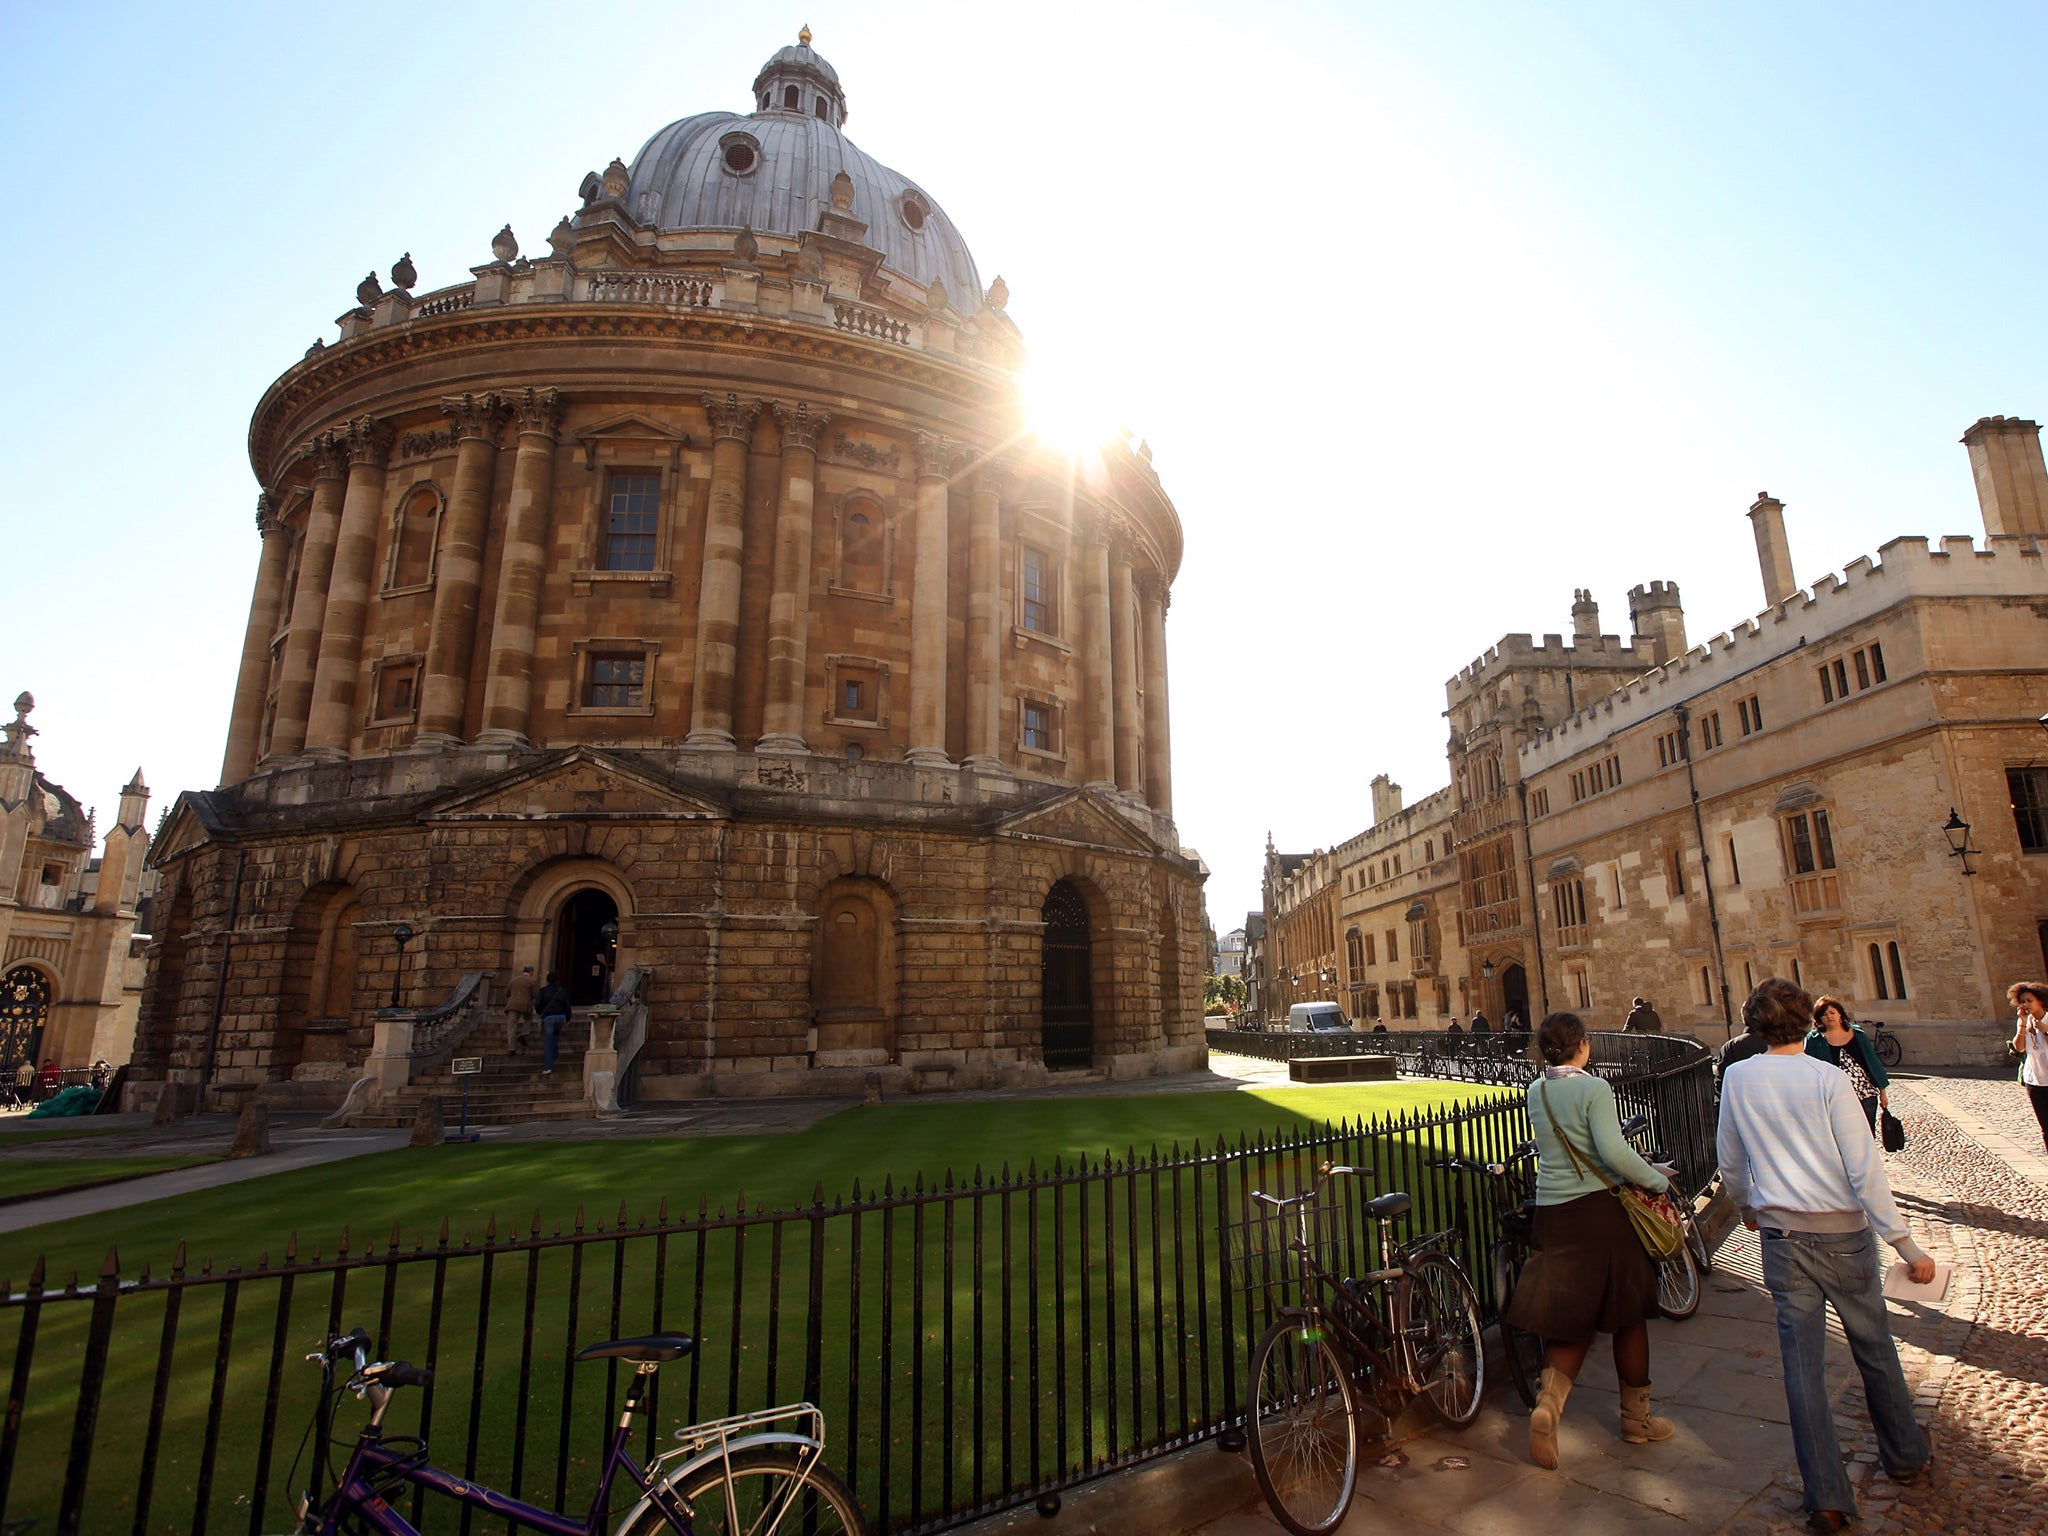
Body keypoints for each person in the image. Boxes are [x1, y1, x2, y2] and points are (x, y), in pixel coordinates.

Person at [1719, 978, 1933, 1532]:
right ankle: (1906, 1454)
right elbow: (1864, 1170)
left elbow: (1731, 1159)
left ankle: (1827, 1497)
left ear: (1755, 1025)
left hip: (1781, 1238)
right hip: (1844, 1236)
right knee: (1874, 1345)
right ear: (1807, 1022)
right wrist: (1904, 1244)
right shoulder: (1828, 1079)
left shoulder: (1739, 1077)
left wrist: (1747, 1208)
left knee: (1802, 1366)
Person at [1505, 1010, 1678, 1471]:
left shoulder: (1536, 1090)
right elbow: (1613, 1150)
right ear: (1583, 1044)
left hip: (1553, 1213)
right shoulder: (1593, 1088)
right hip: (1597, 1212)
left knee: (1571, 1320)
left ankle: (1549, 1405)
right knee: (1628, 1314)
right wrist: (1656, 1181)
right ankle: (1636, 1421)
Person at [1806, 996, 1889, 1136]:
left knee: (1867, 1135)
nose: (1829, 1017)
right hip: (1836, 1098)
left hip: (1865, 1094)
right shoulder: (1814, 1040)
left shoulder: (1857, 1034)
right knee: (1844, 1136)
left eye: (1832, 1013)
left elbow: (1873, 1062)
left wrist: (1883, 1091)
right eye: (1824, 1014)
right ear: (1819, 1019)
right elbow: (1809, 1071)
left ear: (1840, 1014)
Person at [2011, 981, 2048, 1155]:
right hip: (2035, 1080)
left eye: (2029, 1001)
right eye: (2022, 1001)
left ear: (2040, 1000)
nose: (2025, 1005)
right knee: (2046, 1127)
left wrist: (2045, 1030)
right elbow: (2019, 1048)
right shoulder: (2023, 1022)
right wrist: (2022, 1027)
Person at [534, 970, 571, 1076]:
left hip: (548, 1017)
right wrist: (568, 1019)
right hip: (560, 1017)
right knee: (555, 1037)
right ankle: (554, 1055)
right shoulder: (562, 991)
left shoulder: (543, 991)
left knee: (548, 1042)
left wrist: (540, 1013)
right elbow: (567, 1006)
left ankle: (548, 1066)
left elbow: (537, 1004)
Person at [505, 965, 538, 1053]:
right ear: (531, 972)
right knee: (528, 1019)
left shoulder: (513, 980)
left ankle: (511, 1048)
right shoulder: (532, 981)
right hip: (525, 1005)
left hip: (513, 1005)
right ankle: (524, 1034)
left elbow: (507, 993)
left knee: (511, 1026)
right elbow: (535, 994)